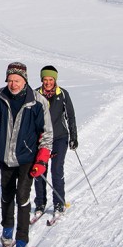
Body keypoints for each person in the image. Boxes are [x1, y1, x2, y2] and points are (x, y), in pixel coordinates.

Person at [0, 61, 54, 247]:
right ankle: (7, 230)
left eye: (17, 80)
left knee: (22, 197)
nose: (13, 84)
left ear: (24, 80)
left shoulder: (37, 101)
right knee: (7, 196)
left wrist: (42, 159)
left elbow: (47, 133)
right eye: (10, 80)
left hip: (28, 158)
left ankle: (22, 241)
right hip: (6, 157)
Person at [35, 65, 78, 216]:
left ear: (55, 80)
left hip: (60, 137)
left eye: (50, 79)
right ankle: (40, 203)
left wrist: (74, 137)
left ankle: (59, 203)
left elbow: (70, 116)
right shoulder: (35, 95)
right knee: (40, 170)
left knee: (56, 169)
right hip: (41, 139)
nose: (48, 82)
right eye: (45, 79)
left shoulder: (63, 94)